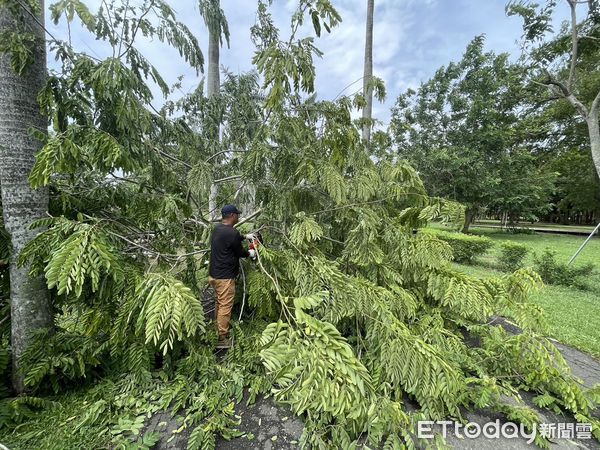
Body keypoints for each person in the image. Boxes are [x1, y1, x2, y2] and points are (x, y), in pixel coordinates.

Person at [208, 204, 256, 348]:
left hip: (214, 275)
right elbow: (240, 252)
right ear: (232, 216)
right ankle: (222, 338)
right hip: (225, 277)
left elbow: (229, 240)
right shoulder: (231, 233)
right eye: (237, 214)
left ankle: (215, 329)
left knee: (219, 303)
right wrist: (250, 253)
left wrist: (244, 236)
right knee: (225, 306)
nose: (238, 217)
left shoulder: (217, 229)